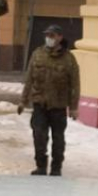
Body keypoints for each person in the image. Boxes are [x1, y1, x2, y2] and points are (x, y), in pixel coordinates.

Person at [17, 25, 80, 176]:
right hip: (40, 104)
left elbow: (75, 84)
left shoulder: (68, 58)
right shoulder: (38, 54)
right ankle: (40, 166)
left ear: (59, 37)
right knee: (39, 135)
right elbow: (29, 79)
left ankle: (56, 168)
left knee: (58, 139)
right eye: (47, 35)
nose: (49, 38)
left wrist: (73, 107)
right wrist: (23, 101)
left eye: (52, 35)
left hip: (58, 106)